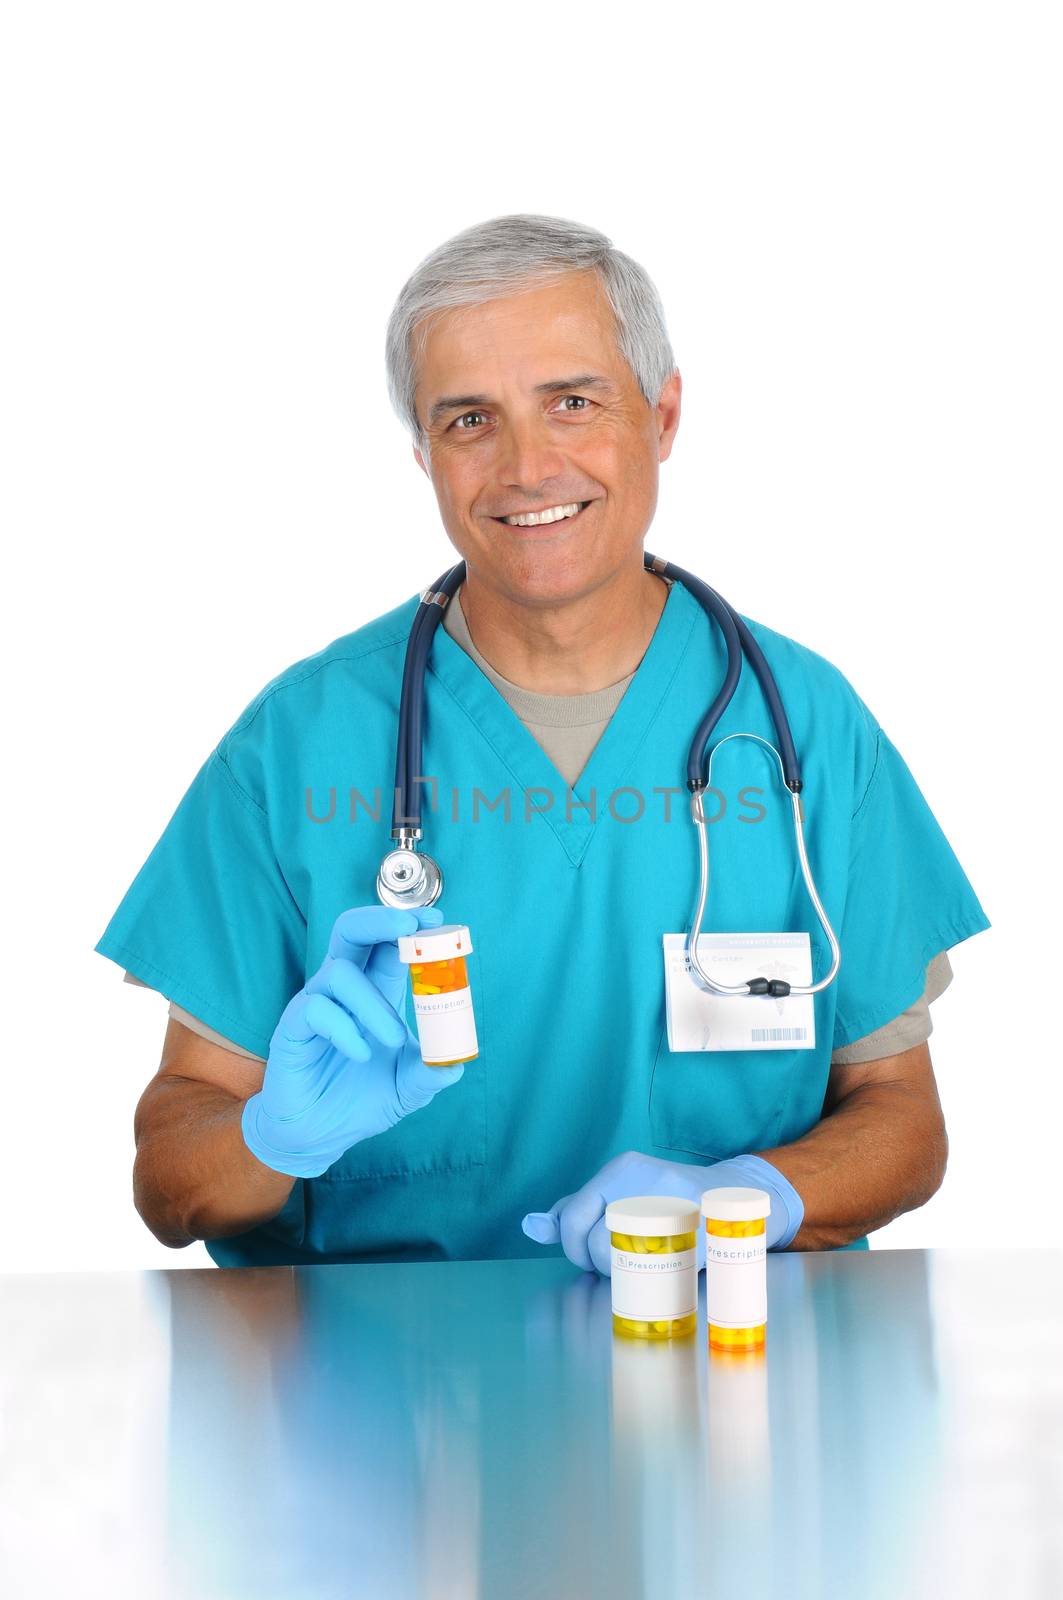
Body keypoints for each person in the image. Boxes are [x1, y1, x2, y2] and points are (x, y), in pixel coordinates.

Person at [96, 213, 989, 1269]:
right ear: (425, 453)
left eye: (572, 402)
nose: (525, 465)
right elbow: (172, 1179)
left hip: (727, 1373)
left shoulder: (804, 727)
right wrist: (270, 1138)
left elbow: (904, 1124)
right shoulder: (299, 743)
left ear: (662, 415)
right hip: (384, 1408)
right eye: (470, 419)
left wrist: (740, 1198)